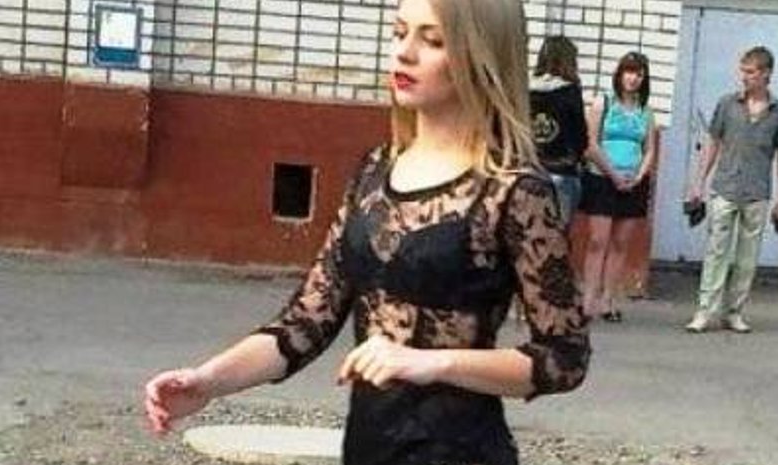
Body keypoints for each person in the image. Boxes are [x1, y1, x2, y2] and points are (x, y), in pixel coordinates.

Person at [142, 1, 591, 465]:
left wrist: (434, 361)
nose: (404, 52)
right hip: (369, 446)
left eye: (433, 40)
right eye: (399, 33)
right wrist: (209, 381)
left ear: (481, 57)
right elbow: (305, 322)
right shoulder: (376, 170)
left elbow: (565, 357)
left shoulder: (514, 190)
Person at [684, 45, 778, 334]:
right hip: (725, 187)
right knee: (716, 252)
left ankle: (734, 312)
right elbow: (713, 143)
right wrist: (698, 182)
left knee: (747, 258)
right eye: (743, 71)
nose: (744, 77)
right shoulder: (727, 104)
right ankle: (705, 311)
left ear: (766, 74)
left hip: (757, 192)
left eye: (751, 72)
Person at [579, 51, 658, 322]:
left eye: (639, 74)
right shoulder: (603, 103)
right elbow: (590, 144)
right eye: (629, 72)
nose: (633, 78)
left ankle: (608, 300)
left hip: (633, 182)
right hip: (602, 178)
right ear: (619, 74)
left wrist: (639, 176)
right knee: (597, 241)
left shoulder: (646, 112)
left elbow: (649, 149)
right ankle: (588, 301)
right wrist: (612, 174)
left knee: (621, 243)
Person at [529, 35, 588, 228]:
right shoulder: (570, 91)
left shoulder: (526, 88)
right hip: (562, 170)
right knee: (558, 233)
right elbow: (580, 136)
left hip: (531, 170)